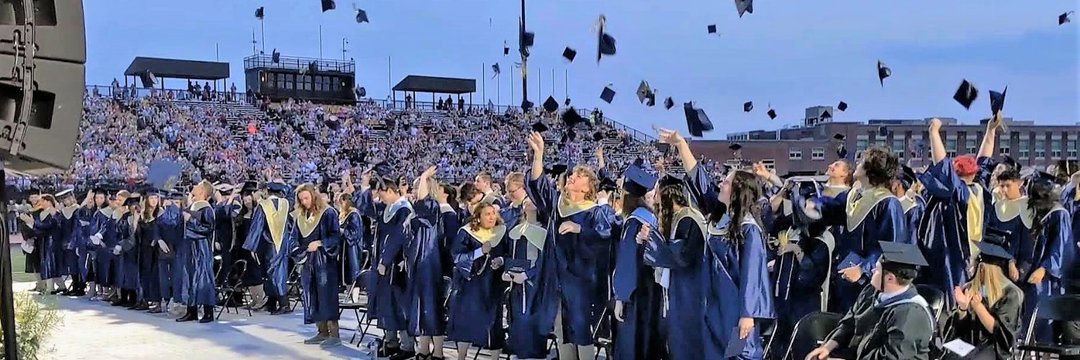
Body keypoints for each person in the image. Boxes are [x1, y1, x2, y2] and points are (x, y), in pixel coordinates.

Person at [525, 131, 615, 360]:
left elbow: (605, 237)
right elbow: (539, 186)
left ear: (587, 188)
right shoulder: (559, 205)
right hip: (557, 280)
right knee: (561, 333)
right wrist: (539, 155)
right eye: (573, 174)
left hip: (582, 284)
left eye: (579, 175)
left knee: (582, 333)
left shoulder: (594, 212)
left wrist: (580, 229)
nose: (572, 176)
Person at [805, 146, 908, 313]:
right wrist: (810, 205)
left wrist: (863, 269)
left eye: (861, 161)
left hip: (870, 286)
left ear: (870, 169)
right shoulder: (854, 196)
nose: (857, 164)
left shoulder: (888, 203)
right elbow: (831, 209)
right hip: (845, 279)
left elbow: (896, 250)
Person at [805, 241, 935, 360]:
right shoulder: (871, 291)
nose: (872, 271)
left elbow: (890, 357)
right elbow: (850, 322)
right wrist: (827, 347)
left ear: (890, 278)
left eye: (877, 269)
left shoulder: (910, 314)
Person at [915, 118, 986, 307]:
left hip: (953, 257)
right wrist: (990, 131)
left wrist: (934, 132)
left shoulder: (958, 193)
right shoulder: (981, 191)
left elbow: (943, 165)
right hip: (972, 257)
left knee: (951, 301)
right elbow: (984, 160)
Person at [354, 166, 417, 359]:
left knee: (398, 305)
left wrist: (386, 260)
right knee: (385, 304)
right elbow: (366, 209)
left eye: (381, 194)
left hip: (396, 265)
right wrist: (364, 185)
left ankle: (407, 346)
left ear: (390, 191)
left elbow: (399, 237)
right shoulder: (388, 208)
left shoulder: (404, 210)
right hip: (382, 264)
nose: (378, 198)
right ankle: (391, 342)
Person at [611, 164, 664, 360]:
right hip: (652, 289)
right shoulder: (651, 218)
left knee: (631, 344)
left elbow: (627, 264)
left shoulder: (634, 223)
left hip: (635, 293)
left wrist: (621, 297)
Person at [447, 201, 507, 360]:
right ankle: (461, 357)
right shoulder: (467, 232)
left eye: (493, 213)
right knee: (466, 321)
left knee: (494, 323)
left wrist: (501, 260)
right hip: (471, 285)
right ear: (478, 217)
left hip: (493, 285)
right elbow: (457, 256)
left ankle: (495, 358)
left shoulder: (501, 232)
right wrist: (480, 251)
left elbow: (508, 253)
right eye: (487, 214)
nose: (492, 217)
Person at [947, 239, 1023, 360]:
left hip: (994, 350)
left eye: (975, 266)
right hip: (969, 346)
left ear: (983, 269)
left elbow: (1001, 334)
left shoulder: (1011, 294)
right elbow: (959, 330)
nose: (972, 269)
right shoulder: (969, 288)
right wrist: (963, 308)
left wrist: (979, 308)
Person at [289, 183, 342, 348]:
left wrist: (320, 243)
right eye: (301, 200)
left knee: (327, 296)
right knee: (312, 296)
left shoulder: (328, 213)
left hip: (324, 262)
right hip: (308, 262)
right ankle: (322, 331)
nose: (304, 202)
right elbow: (293, 239)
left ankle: (334, 334)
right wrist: (299, 250)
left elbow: (336, 236)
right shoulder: (301, 217)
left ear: (314, 196)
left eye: (306, 198)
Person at [407, 166, 449, 360]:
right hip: (419, 263)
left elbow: (422, 203)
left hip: (429, 263)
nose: (414, 191)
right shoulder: (418, 209)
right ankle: (423, 349)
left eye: (417, 187)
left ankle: (438, 352)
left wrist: (424, 176)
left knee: (431, 306)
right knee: (421, 306)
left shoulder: (431, 207)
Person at [242, 182, 295, 315]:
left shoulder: (264, 206)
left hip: (269, 245)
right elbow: (292, 196)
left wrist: (252, 247)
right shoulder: (286, 204)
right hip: (283, 245)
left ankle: (284, 304)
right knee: (280, 272)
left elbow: (257, 226)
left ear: (267, 192)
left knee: (271, 273)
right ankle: (272, 302)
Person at [177, 181, 217, 323]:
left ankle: (208, 312)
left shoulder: (207, 209)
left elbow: (207, 229)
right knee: (190, 278)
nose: (194, 187)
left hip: (202, 248)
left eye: (198, 186)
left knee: (203, 279)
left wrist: (190, 221)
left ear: (202, 191)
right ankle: (191, 311)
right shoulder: (193, 206)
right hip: (190, 248)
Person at [112, 194, 141, 308]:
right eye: (131, 205)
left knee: (132, 275)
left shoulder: (141, 217)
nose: (133, 207)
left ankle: (133, 299)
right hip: (125, 250)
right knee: (123, 274)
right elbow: (118, 230)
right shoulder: (125, 217)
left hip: (135, 250)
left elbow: (134, 235)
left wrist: (123, 244)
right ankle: (123, 297)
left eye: (135, 205)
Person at [137, 191, 164, 312]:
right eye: (151, 198)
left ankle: (157, 301)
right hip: (144, 248)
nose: (154, 200)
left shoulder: (161, 213)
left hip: (156, 249)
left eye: (156, 198)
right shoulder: (143, 214)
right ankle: (146, 299)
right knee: (145, 274)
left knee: (155, 275)